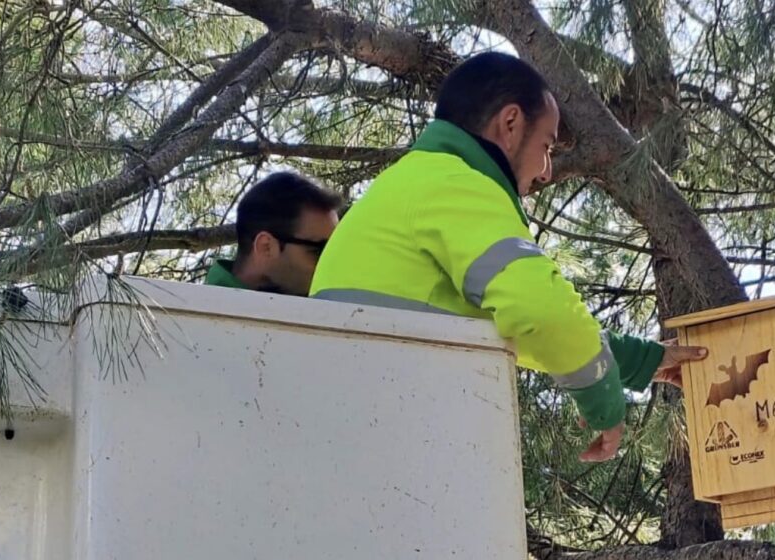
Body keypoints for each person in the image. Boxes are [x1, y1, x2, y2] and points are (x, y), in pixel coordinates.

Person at [309, 52, 707, 462]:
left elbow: (507, 326)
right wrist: (604, 399)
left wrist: (640, 360)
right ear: (511, 123)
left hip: (363, 438)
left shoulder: (410, 182)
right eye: (547, 145)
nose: (547, 171)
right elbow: (540, 312)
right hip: (395, 445)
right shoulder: (454, 183)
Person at [206, 171, 342, 296]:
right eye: (319, 251)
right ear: (266, 246)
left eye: (335, 252)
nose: (331, 265)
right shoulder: (196, 316)